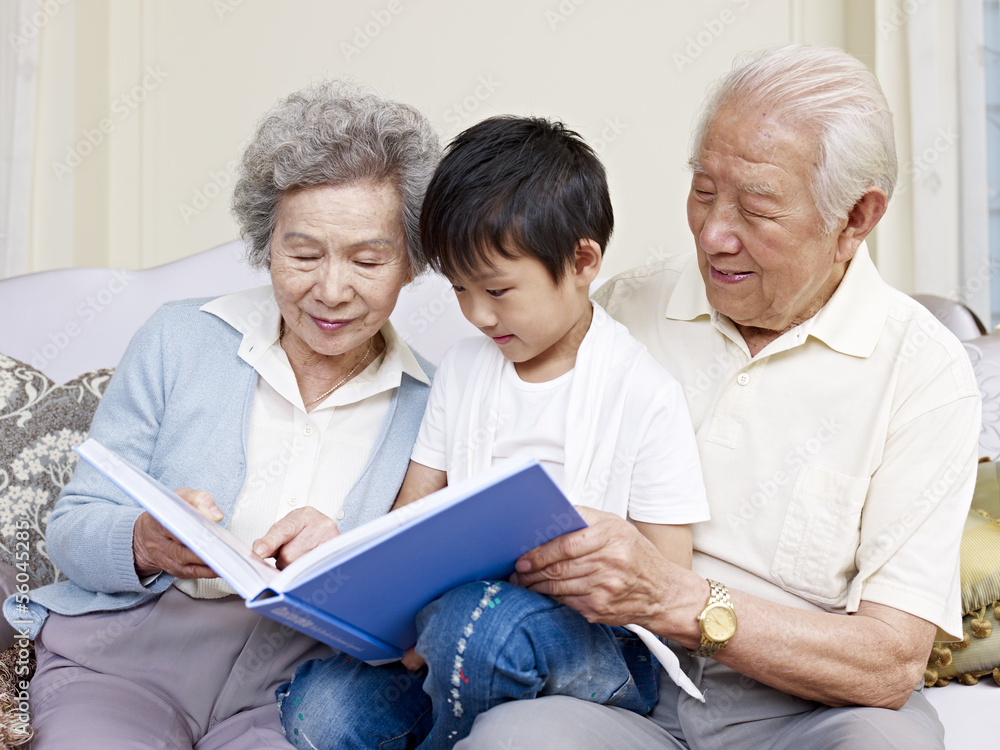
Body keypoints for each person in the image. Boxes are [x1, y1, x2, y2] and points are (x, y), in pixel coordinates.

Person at [452, 44, 982, 749]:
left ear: (856, 218)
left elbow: (890, 661)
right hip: (624, 689)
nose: (712, 233)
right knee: (509, 739)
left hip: (808, 711)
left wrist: (678, 598)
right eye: (703, 192)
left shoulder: (924, 372)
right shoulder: (620, 311)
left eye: (756, 207)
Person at [2, 80, 440, 749]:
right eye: (302, 254)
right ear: (266, 244)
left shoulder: (436, 405)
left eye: (367, 259)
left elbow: (424, 612)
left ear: (411, 262)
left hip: (297, 690)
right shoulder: (179, 338)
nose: (330, 289)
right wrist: (143, 541)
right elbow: (70, 530)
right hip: (123, 663)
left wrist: (348, 562)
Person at [275, 116, 710, 749]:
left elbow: (667, 576)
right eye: (459, 289)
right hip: (450, 627)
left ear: (583, 261)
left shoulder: (645, 393)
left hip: (599, 647)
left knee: (476, 625)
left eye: (499, 290)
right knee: (322, 709)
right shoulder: (464, 369)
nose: (478, 314)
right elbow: (413, 513)